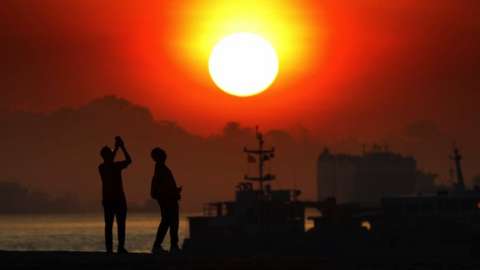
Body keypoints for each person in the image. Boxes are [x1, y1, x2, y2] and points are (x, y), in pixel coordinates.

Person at [98, 136, 132, 254]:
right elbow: (128, 160)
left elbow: (127, 160)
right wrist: (120, 147)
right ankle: (117, 248)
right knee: (117, 225)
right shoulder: (108, 167)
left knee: (111, 225)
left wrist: (118, 148)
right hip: (116, 200)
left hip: (109, 200)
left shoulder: (103, 167)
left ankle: (112, 249)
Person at [150, 147, 182, 254]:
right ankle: (169, 246)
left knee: (168, 221)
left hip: (167, 198)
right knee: (170, 221)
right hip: (168, 199)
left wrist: (175, 191)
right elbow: (164, 186)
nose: (165, 156)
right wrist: (174, 192)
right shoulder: (161, 169)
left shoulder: (160, 168)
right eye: (163, 155)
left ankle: (167, 245)